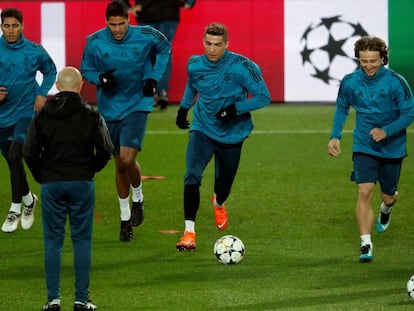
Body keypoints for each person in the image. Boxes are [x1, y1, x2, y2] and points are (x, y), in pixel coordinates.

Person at [23, 66, 114, 311]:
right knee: (81, 240)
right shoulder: (91, 113)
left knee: (53, 241)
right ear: (80, 85)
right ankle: (81, 300)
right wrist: (89, 170)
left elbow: (29, 151)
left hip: (52, 183)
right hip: (81, 183)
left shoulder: (42, 114)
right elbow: (107, 149)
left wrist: (42, 175)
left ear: (58, 86)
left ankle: (53, 300)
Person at [175, 22, 271, 251]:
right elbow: (193, 83)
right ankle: (189, 232)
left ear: (227, 44)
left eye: (218, 44)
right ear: (203, 42)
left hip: (232, 134)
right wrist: (183, 107)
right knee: (192, 175)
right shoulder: (195, 64)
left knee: (223, 187)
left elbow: (263, 97)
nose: (212, 49)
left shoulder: (242, 67)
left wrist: (235, 109)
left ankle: (218, 202)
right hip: (203, 129)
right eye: (208, 43)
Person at [81, 0, 170, 242]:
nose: (118, 29)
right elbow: (85, 69)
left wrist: (154, 77)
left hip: (138, 104)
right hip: (110, 109)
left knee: (128, 158)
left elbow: (165, 48)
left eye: (122, 24)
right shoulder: (94, 41)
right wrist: (99, 78)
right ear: (106, 22)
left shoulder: (147, 34)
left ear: (129, 20)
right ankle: (124, 219)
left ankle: (138, 198)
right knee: (120, 164)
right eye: (113, 25)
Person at [327, 36, 414, 263]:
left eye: (373, 61)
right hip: (364, 145)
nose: (368, 66)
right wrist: (335, 136)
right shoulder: (350, 82)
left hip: (392, 147)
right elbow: (342, 107)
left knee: (389, 195)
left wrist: (386, 130)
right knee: (364, 191)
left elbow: (409, 113)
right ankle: (366, 243)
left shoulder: (396, 82)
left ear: (383, 58)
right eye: (364, 61)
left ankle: (387, 208)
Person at [0, 8, 57, 233]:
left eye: (15, 26)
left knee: (16, 154)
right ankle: (29, 199)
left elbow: (50, 71)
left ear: (22, 26)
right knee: (12, 162)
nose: (11, 30)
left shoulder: (34, 51)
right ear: (2, 26)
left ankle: (15, 208)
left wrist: (42, 93)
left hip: (25, 114)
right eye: (7, 26)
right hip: (2, 116)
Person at [121, 0, 196, 109]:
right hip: (162, 12)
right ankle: (159, 91)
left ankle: (155, 91)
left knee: (156, 52)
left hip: (158, 13)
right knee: (160, 52)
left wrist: (131, 6)